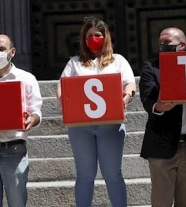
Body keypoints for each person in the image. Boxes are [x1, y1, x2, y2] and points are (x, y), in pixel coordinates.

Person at [58, 17, 136, 207]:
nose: (93, 38)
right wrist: (66, 101)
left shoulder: (118, 60)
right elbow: (62, 87)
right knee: (85, 174)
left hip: (110, 125)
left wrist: (127, 95)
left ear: (105, 36)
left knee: (112, 173)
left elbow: (130, 83)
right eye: (89, 35)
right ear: (84, 39)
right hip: (81, 127)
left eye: (97, 35)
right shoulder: (75, 63)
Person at [138, 27, 186, 207]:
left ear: (182, 45)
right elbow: (147, 99)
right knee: (161, 203)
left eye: (167, 42)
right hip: (162, 146)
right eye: (160, 42)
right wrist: (159, 107)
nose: (162, 45)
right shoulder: (151, 67)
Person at [0, 34, 42, 207]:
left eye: (1, 49)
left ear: (12, 52)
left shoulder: (26, 78)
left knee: (17, 203)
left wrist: (32, 119)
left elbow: (36, 110)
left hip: (14, 150)